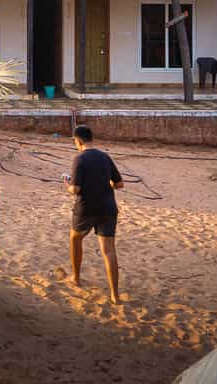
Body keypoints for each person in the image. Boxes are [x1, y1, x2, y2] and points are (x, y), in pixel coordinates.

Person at [63, 124, 123, 303]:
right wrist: (106, 185)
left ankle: (76, 277)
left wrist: (67, 185)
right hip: (108, 207)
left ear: (78, 140)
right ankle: (115, 295)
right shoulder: (105, 157)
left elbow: (75, 189)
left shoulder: (79, 159)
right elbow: (119, 184)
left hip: (86, 208)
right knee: (109, 251)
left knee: (75, 238)